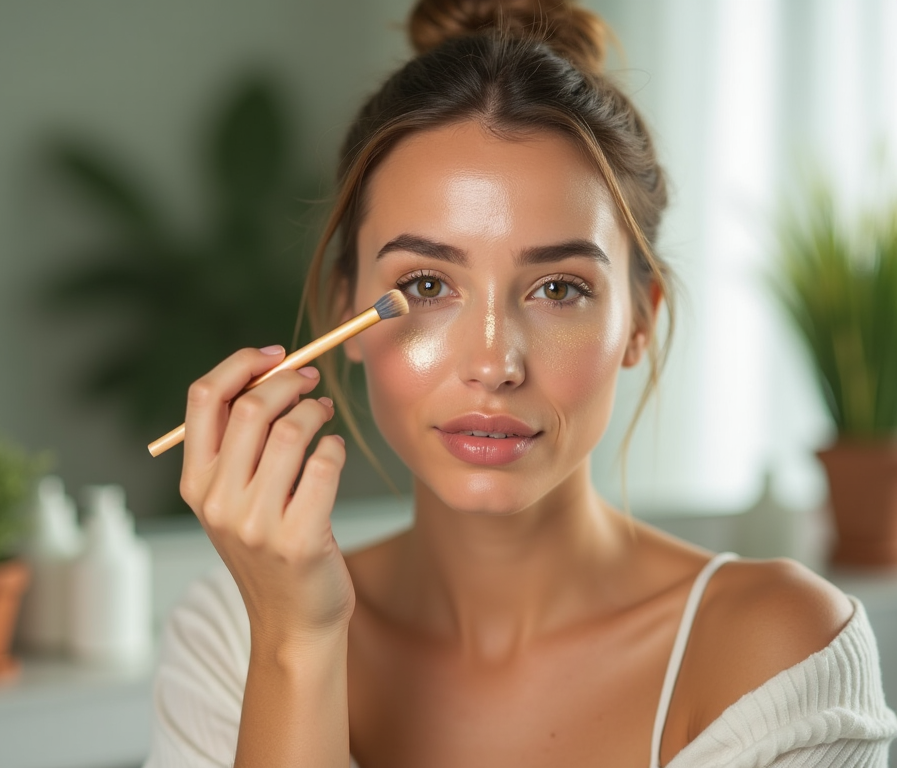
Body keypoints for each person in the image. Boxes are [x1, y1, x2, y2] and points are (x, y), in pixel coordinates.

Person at [144, 1, 897, 766]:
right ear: (348, 306)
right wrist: (295, 645)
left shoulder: (782, 653)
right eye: (430, 285)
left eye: (559, 289)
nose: (495, 363)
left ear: (639, 321)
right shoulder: (236, 637)